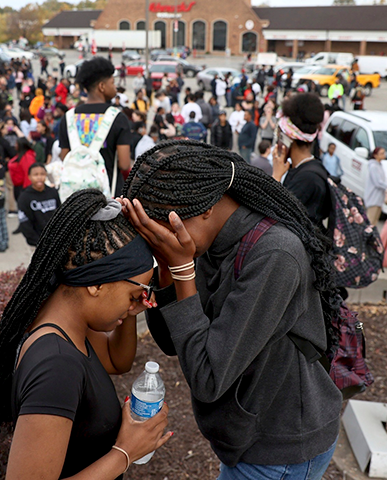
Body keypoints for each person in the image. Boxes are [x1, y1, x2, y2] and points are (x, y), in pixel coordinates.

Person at [122, 140, 342, 479]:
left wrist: (182, 270)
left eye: (162, 228)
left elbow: (208, 378)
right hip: (248, 435)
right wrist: (167, 268)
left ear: (206, 206)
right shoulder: (208, 238)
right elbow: (172, 343)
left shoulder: (274, 255)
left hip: (279, 447)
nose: (163, 239)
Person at [0, 190, 170, 479]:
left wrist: (129, 309)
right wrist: (125, 452)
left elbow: (117, 361)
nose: (138, 303)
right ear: (96, 285)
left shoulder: (64, 323)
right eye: (134, 295)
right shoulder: (57, 365)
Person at [58, 57, 132, 197]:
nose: (115, 87)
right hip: (108, 197)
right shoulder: (118, 118)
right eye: (112, 82)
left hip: (76, 199)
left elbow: (65, 157)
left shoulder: (68, 117)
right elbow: (124, 164)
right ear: (102, 87)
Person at [272, 93, 331, 228]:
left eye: (279, 135)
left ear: (288, 138)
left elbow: (275, 220)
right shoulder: (305, 168)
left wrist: (275, 176)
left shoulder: (307, 179)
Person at [16, 163, 60, 249]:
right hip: (36, 244)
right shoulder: (24, 197)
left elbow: (60, 214)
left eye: (42, 174)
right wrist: (38, 242)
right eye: (35, 174)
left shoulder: (53, 192)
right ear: (29, 177)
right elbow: (25, 223)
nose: (39, 177)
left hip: (55, 241)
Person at [364, 147, 387, 226]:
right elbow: (378, 182)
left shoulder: (379, 165)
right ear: (375, 155)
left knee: (374, 222)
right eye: (381, 153)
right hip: (373, 198)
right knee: (370, 222)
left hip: (378, 199)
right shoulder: (373, 166)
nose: (384, 155)